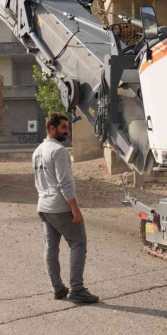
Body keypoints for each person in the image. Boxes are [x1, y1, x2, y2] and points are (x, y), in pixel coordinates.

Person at [32, 113, 99, 303]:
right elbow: (65, 183)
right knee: (78, 243)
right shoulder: (58, 151)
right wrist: (75, 209)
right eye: (63, 127)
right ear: (51, 128)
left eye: (67, 127)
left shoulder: (37, 151)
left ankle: (58, 289)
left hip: (44, 206)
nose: (67, 131)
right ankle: (77, 289)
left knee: (51, 248)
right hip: (60, 207)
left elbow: (38, 182)